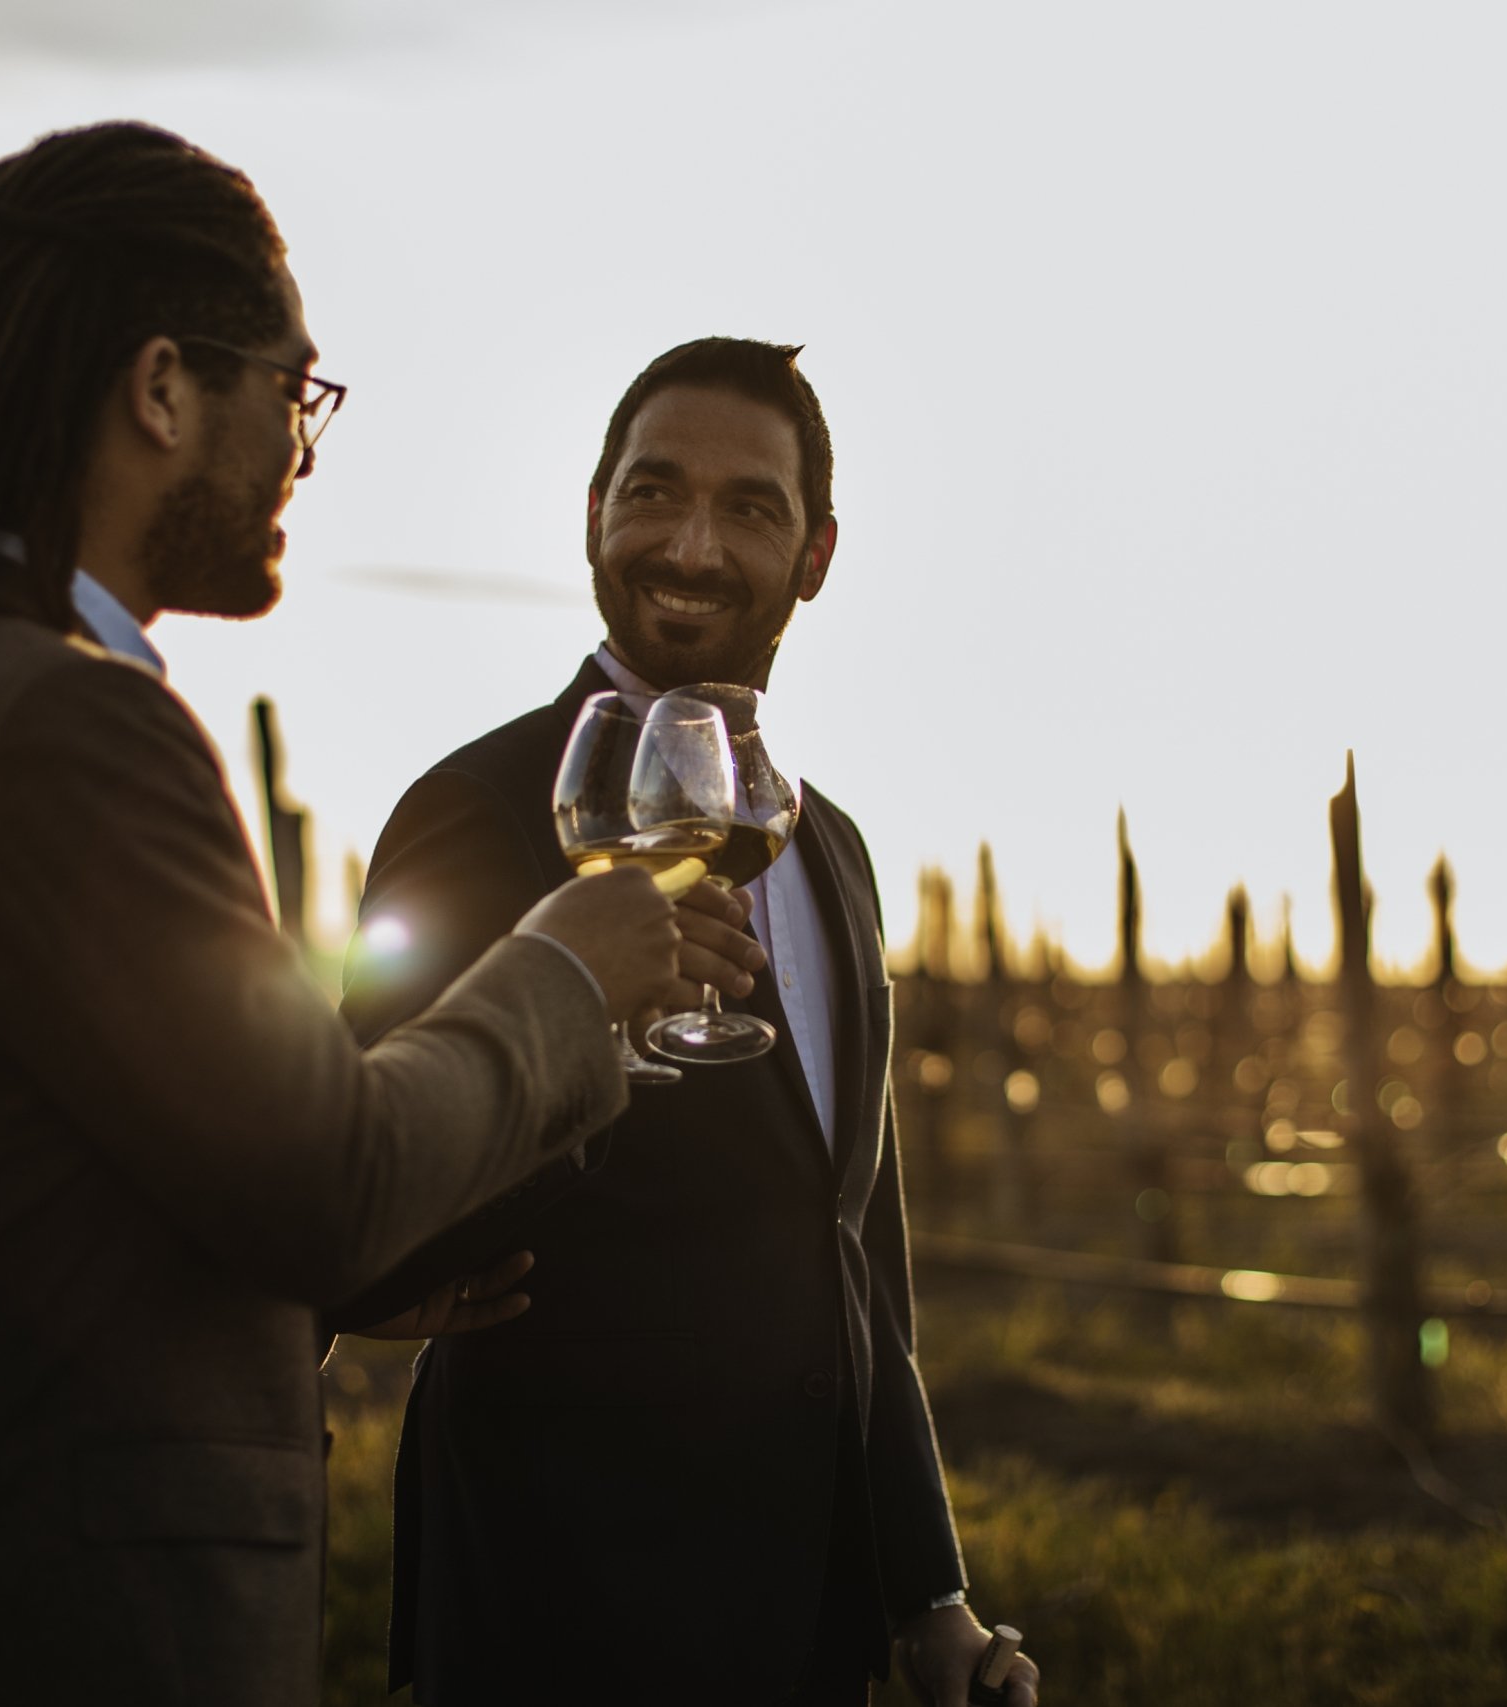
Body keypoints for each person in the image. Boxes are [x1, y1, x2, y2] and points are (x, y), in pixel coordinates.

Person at [0, 124, 759, 1707]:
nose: (298, 446)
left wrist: (303, 1303)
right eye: (292, 390)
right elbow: (324, 1177)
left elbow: (101, 1209)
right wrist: (566, 962)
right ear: (160, 390)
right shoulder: (56, 727)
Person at [338, 338, 1042, 1707]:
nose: (692, 545)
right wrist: (589, 1033)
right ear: (594, 513)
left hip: (803, 1632)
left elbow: (854, 1252)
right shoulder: (475, 809)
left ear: (817, 554)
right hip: (549, 1621)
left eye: (750, 508)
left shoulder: (824, 848)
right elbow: (362, 1217)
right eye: (653, 492)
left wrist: (926, 1591)